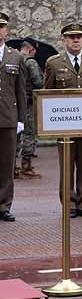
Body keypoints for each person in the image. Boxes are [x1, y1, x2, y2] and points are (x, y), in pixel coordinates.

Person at [44, 23, 82, 217]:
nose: (76, 40)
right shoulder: (54, 63)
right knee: (67, 164)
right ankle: (69, 203)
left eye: (79, 36)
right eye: (72, 37)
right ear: (64, 40)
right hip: (64, 124)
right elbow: (47, 94)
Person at [0, 12, 26, 222]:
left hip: (8, 117)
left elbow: (21, 91)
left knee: (7, 164)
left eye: (1, 27)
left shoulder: (16, 57)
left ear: (6, 31)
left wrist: (21, 119)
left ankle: (4, 205)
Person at [15, 38, 43, 180]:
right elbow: (38, 83)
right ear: (31, 49)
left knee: (14, 134)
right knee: (28, 133)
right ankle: (26, 165)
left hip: (13, 103)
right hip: (28, 102)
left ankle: (12, 167)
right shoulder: (30, 62)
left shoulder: (13, 58)